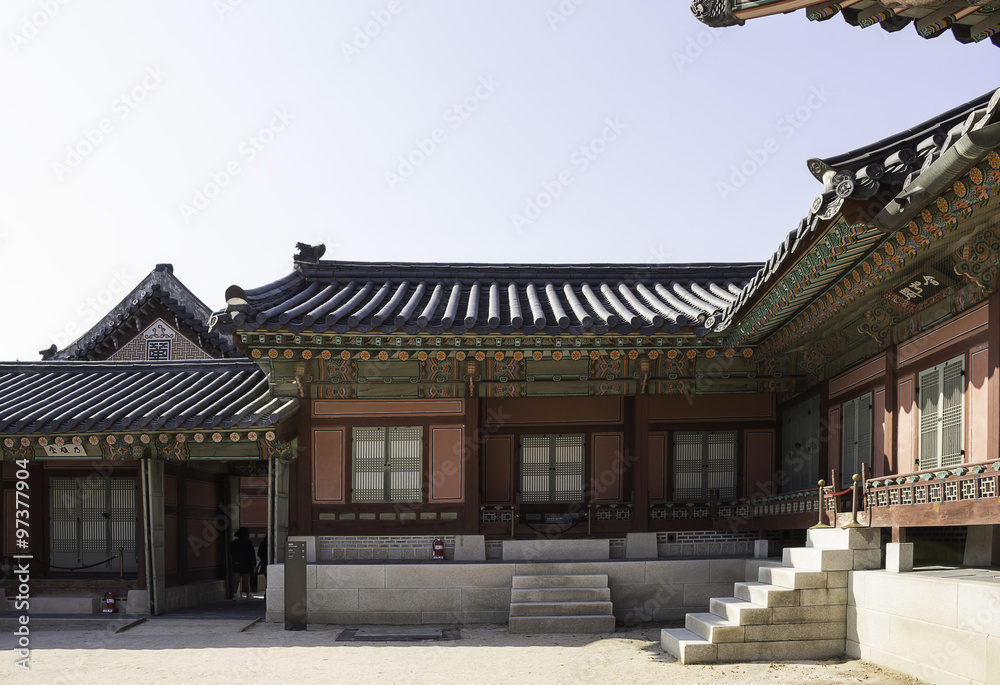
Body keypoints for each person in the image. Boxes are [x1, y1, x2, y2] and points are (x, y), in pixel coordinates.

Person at [230, 527, 256, 600]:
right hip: (246, 564)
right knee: (246, 581)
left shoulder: (234, 542)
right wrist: (254, 564)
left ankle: (234, 595)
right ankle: (248, 594)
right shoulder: (248, 542)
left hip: (236, 563)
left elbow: (230, 553)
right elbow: (252, 553)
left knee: (236, 580)